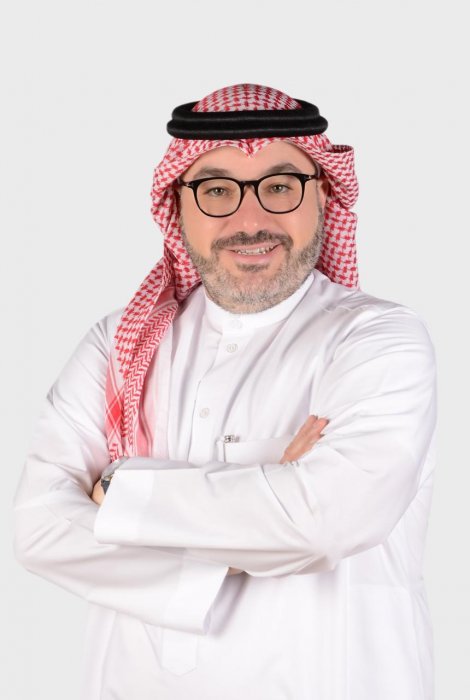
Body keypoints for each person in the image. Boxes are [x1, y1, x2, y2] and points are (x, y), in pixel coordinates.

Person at [13, 83, 437, 700]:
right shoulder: (115, 343)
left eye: (280, 186)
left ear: (323, 193)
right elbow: (39, 530)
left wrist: (119, 489)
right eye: (216, 190)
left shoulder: (377, 338)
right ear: (176, 204)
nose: (250, 220)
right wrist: (255, 525)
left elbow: (324, 522)